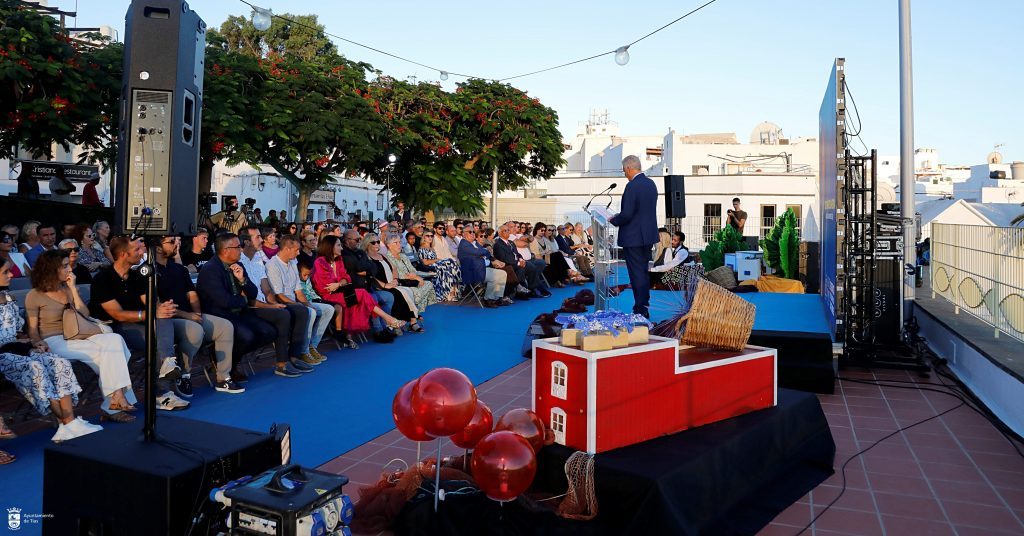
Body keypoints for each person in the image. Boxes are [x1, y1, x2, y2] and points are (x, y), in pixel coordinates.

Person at [25, 250, 138, 423]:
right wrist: (37, 341)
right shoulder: (34, 295)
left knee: (114, 340)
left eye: (68, 265)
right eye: (64, 266)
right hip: (54, 339)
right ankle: (115, 401)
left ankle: (116, 398)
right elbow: (32, 329)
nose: (69, 269)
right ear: (50, 269)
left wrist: (73, 290)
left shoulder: (67, 288)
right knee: (105, 354)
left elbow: (85, 314)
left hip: (78, 333)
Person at [1, 258, 101, 443]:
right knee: (35, 368)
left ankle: (66, 425)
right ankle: (68, 423)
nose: (12, 274)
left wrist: (34, 341)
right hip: (3, 354)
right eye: (6, 272)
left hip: (19, 348)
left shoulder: (9, 298)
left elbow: (19, 332)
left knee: (58, 362)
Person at [88, 237, 190, 410]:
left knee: (162, 317)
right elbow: (118, 315)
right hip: (113, 329)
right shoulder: (103, 279)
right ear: (122, 254)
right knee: (157, 341)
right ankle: (162, 392)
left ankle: (167, 366)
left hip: (140, 322)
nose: (142, 252)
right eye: (137, 250)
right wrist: (151, 313)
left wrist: (160, 308)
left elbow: (150, 303)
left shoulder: (138, 275)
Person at [153, 236, 243, 394]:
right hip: (167, 320)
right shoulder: (151, 272)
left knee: (225, 326)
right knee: (195, 330)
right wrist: (188, 315)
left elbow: (192, 294)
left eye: (177, 241)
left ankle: (223, 378)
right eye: (172, 242)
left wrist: (196, 312)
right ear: (159, 248)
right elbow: (160, 307)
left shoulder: (179, 269)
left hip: (189, 315)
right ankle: (184, 374)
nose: (177, 244)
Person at [237, 228, 315, 375]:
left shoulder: (258, 259)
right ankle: (281, 363)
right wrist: (272, 306)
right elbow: (246, 298)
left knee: (302, 311)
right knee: (283, 314)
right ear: (247, 241)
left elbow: (266, 290)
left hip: (265, 304)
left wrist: (273, 303)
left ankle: (294, 357)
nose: (262, 240)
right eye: (258, 237)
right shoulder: (239, 261)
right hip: (251, 307)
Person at [314, 235, 402, 345]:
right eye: (338, 245)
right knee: (362, 294)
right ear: (330, 247)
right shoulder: (320, 262)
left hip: (343, 292)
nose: (341, 248)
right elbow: (326, 287)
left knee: (361, 297)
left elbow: (347, 278)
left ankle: (350, 335)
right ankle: (388, 320)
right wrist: (340, 283)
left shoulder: (339, 260)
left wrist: (339, 283)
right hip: (328, 296)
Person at [266, 234, 332, 364]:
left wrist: (307, 304)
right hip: (283, 303)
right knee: (310, 312)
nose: (298, 253)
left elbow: (298, 290)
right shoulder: (272, 265)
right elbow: (279, 295)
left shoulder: (292, 263)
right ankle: (303, 351)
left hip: (294, 301)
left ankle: (312, 346)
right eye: (296, 250)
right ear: (286, 249)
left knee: (328, 309)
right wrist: (304, 306)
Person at [610, 155, 659, 317]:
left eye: (624, 171)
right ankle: (643, 304)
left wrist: (614, 219)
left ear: (630, 168)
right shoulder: (651, 184)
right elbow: (642, 211)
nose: (625, 174)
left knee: (636, 273)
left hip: (633, 237)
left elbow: (628, 214)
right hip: (647, 236)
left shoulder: (632, 186)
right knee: (642, 272)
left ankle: (640, 309)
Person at [362, 233, 424, 332]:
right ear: (367, 244)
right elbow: (371, 276)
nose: (377, 244)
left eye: (378, 242)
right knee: (399, 294)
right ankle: (407, 320)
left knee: (407, 290)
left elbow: (394, 268)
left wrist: (394, 280)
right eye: (373, 242)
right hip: (380, 286)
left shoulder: (382, 255)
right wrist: (385, 285)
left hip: (391, 283)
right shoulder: (366, 258)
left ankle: (410, 320)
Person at [384, 234, 437, 317]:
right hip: (401, 283)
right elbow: (399, 275)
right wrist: (417, 278)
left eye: (400, 242)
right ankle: (413, 314)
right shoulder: (388, 258)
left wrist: (427, 274)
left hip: (411, 280)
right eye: (396, 243)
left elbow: (413, 270)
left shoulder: (403, 256)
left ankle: (414, 312)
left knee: (429, 284)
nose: (399, 245)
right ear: (389, 246)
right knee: (417, 291)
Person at [494, 224, 550, 299]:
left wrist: (521, 259)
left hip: (517, 262)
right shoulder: (498, 244)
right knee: (521, 269)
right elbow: (504, 258)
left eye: (508, 230)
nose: (508, 231)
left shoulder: (510, 242)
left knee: (532, 267)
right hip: (507, 265)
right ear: (500, 233)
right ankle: (520, 291)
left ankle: (532, 288)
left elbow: (517, 253)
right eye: (505, 230)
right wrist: (518, 263)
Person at [457, 228, 509, 307]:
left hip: (480, 270)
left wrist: (487, 256)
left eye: (473, 232)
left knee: (503, 273)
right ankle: (488, 299)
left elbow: (483, 254)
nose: (472, 233)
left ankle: (496, 298)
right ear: (463, 234)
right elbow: (480, 252)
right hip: (473, 273)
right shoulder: (464, 244)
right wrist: (485, 251)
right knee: (495, 276)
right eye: (470, 231)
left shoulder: (472, 244)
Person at [417, 231, 462, 302]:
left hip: (437, 265)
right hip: (430, 267)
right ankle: (452, 291)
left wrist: (437, 260)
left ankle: (451, 293)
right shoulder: (422, 249)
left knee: (449, 266)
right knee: (448, 264)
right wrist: (436, 260)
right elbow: (425, 262)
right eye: (427, 236)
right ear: (424, 238)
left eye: (431, 236)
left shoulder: (432, 248)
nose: (430, 237)